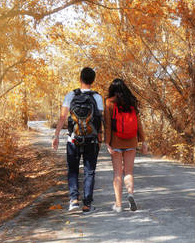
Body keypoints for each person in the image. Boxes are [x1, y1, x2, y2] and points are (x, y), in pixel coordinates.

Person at [52, 67, 104, 214]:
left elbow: (63, 118)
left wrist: (56, 136)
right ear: (93, 81)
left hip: (73, 139)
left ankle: (73, 201)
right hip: (91, 140)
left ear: (80, 79)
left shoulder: (70, 95)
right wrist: (100, 140)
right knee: (89, 172)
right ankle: (87, 205)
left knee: (73, 170)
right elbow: (98, 121)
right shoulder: (97, 98)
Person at [104, 79, 148, 213]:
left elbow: (107, 125)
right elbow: (138, 123)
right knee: (128, 172)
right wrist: (143, 140)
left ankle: (118, 205)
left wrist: (107, 143)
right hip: (131, 141)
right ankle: (130, 194)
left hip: (116, 142)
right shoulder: (131, 102)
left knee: (117, 173)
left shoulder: (109, 103)